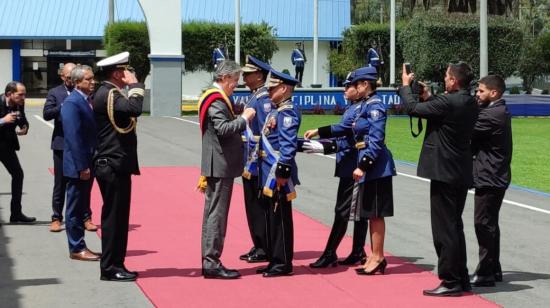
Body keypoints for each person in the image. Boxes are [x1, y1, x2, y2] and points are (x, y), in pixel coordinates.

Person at [399, 62, 478, 296]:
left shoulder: (449, 102)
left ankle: (450, 280)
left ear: (453, 81)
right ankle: (461, 277)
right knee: (454, 226)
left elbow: (412, 109)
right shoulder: (470, 101)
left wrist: (406, 87)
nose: (444, 79)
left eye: (446, 76)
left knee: (444, 230)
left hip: (444, 172)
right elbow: (440, 110)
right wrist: (429, 96)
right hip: (460, 171)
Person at [302, 71, 369, 268]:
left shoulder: (360, 109)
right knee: (355, 210)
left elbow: (343, 130)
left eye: (349, 86)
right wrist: (322, 145)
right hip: (347, 163)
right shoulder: (353, 107)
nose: (345, 89)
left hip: (353, 165)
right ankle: (358, 250)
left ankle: (331, 253)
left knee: (344, 211)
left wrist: (318, 132)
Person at [197, 60, 256, 279]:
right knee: (217, 215)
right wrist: (244, 119)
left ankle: (210, 260)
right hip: (220, 165)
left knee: (214, 214)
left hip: (220, 163)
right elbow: (223, 129)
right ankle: (212, 262)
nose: (236, 85)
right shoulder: (216, 99)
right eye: (235, 80)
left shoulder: (215, 97)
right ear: (225, 78)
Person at [93, 51, 145, 281]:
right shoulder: (110, 94)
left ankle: (116, 264)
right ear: (117, 73)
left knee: (118, 217)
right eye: (127, 70)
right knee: (114, 218)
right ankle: (111, 267)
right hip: (113, 164)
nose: (130, 74)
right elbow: (134, 108)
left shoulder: (108, 92)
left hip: (114, 163)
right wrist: (136, 86)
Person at [256, 69, 301, 277]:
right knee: (272, 218)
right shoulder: (277, 110)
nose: (268, 92)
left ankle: (282, 263)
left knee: (280, 218)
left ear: (283, 89)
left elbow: (288, 146)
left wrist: (282, 173)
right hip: (267, 171)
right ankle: (274, 258)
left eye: (272, 89)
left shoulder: (287, 112)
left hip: (278, 174)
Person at [43, 62, 97, 233]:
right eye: (68, 77)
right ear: (64, 77)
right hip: (62, 145)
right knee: (61, 184)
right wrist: (64, 106)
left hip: (83, 147)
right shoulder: (57, 93)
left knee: (85, 185)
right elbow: (47, 114)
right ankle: (56, 218)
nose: (70, 79)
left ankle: (86, 217)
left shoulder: (88, 95)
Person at [470, 75, 512, 287]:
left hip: (490, 176)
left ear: (494, 93)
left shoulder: (492, 114)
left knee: (483, 223)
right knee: (490, 223)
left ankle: (486, 271)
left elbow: (467, 131)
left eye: (481, 91)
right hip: (494, 174)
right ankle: (493, 268)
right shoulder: (498, 110)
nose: (477, 94)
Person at [60, 65, 101, 261]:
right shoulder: (72, 103)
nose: (92, 82)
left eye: (93, 78)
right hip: (79, 165)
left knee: (82, 204)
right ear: (77, 82)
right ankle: (76, 247)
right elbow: (73, 138)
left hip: (88, 161)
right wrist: (82, 166)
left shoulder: (86, 100)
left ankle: (80, 244)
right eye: (88, 79)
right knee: (75, 207)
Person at [239, 55, 273, 264]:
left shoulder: (263, 100)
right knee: (251, 206)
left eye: (248, 73)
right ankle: (258, 243)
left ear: (259, 76)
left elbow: (264, 134)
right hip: (248, 160)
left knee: (258, 206)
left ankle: (264, 245)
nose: (244, 76)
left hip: (257, 162)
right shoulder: (253, 96)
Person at [0, 81, 35, 223]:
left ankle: (16, 214)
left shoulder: (19, 103)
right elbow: (5, 120)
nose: (24, 97)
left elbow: (23, 119)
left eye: (25, 94)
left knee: (18, 175)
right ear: (9, 94)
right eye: (20, 94)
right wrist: (3, 120)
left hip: (6, 146)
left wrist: (25, 127)